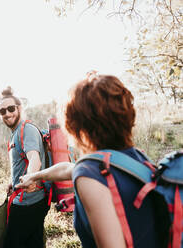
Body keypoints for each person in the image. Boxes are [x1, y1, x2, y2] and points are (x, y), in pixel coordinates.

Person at [17, 73, 169, 248]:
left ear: (74, 124)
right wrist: (34, 176)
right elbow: (68, 168)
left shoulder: (91, 174)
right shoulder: (136, 160)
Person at [0, 86, 49, 248]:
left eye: (11, 109)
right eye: (2, 111)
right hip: (25, 198)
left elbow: (34, 158)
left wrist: (29, 178)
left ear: (19, 108)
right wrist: (14, 182)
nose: (7, 114)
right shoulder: (16, 133)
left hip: (28, 202)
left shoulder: (27, 129)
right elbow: (22, 162)